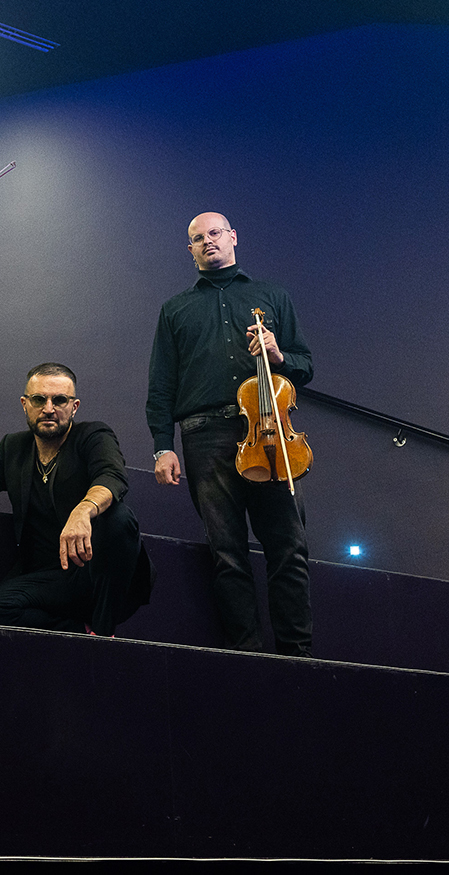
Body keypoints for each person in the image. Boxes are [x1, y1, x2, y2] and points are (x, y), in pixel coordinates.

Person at [148, 212, 313, 656]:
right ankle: (245, 655)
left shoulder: (271, 296)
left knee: (289, 548)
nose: (207, 242)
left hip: (271, 430)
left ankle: (297, 653)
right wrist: (163, 446)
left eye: (215, 234)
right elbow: (161, 386)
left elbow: (305, 364)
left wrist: (279, 354)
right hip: (204, 436)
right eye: (197, 239)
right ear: (190, 250)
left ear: (233, 236)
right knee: (226, 551)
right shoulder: (175, 309)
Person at [0, 364, 153, 636]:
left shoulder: (93, 436)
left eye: (59, 400)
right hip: (51, 576)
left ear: (74, 407)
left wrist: (83, 511)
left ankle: (103, 630)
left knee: (119, 519)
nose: (48, 408)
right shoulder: (13, 449)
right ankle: (82, 632)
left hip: (96, 574)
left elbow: (112, 476)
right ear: (25, 404)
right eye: (39, 399)